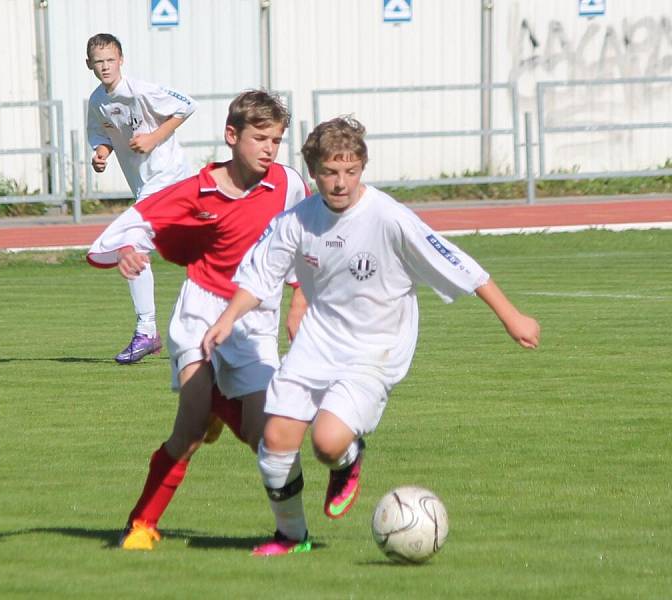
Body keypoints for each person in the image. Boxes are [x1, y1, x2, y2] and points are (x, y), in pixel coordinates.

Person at [202, 116, 541, 556]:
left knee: (326, 443)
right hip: (317, 343)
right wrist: (228, 317)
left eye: (351, 171)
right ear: (314, 172)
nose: (340, 182)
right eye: (329, 172)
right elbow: (258, 275)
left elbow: (456, 262)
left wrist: (512, 316)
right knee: (276, 440)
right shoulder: (297, 221)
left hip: (374, 350)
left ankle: (348, 458)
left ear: (362, 167)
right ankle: (291, 536)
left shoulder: (389, 217)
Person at [87, 90, 310, 550]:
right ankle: (142, 525)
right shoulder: (196, 190)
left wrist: (298, 298)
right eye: (260, 138)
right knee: (188, 428)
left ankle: (290, 532)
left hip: (254, 318)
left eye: (277, 140)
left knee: (261, 435)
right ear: (232, 136)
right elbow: (128, 230)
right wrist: (127, 252)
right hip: (201, 309)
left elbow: (303, 241)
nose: (269, 148)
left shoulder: (288, 185)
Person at [86, 33, 197, 364]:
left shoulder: (143, 90)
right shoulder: (97, 101)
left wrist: (154, 137)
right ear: (89, 64)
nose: (105, 66)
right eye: (98, 61)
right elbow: (101, 132)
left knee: (130, 246)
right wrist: (101, 153)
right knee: (203, 251)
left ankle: (147, 331)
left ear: (122, 60)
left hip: (170, 180)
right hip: (148, 186)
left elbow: (187, 105)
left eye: (110, 59)